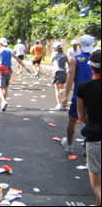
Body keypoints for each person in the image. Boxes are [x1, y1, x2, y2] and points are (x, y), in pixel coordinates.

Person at [61, 34, 95, 152]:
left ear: (79, 45)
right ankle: (89, 143)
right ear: (92, 45)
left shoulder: (74, 59)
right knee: (92, 120)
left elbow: (71, 78)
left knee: (72, 119)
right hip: (95, 94)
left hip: (79, 95)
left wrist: (65, 96)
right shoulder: (96, 59)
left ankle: (69, 144)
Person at [76, 50, 101, 206]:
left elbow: (81, 117)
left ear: (91, 68)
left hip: (95, 137)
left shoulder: (83, 87)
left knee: (97, 184)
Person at [0, 37, 30, 111]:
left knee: (0, 87)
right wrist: (25, 67)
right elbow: (18, 60)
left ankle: (3, 101)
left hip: (1, 69)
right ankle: (3, 103)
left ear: (0, 43)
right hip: (9, 70)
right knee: (5, 87)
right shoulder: (11, 50)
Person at [51, 42, 70, 110]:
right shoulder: (64, 55)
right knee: (61, 88)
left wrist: (54, 52)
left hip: (57, 72)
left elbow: (51, 60)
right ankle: (64, 102)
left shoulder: (55, 54)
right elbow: (68, 63)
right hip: (63, 72)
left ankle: (59, 104)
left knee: (57, 89)